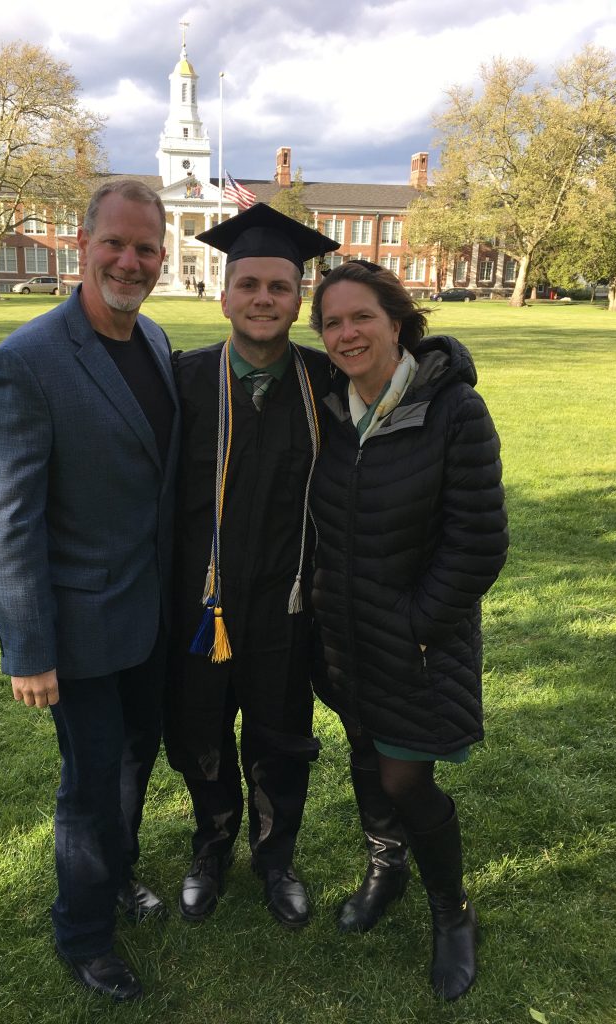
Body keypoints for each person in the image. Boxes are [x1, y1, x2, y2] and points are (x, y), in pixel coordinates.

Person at [0, 180, 179, 1003]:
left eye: (146, 247)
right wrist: (28, 648)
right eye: (116, 244)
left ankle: (117, 877)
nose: (130, 260)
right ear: (83, 245)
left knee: (133, 763)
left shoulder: (155, 341)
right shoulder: (25, 364)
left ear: (163, 257)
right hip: (79, 628)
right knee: (89, 783)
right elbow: (3, 520)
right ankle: (83, 932)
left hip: (150, 616)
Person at [308, 260, 508, 1000]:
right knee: (366, 754)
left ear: (398, 321)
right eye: (331, 322)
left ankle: (452, 910)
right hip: (345, 634)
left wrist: (419, 625)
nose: (346, 333)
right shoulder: (331, 408)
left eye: (362, 317)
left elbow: (479, 541)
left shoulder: (452, 410)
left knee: (406, 776)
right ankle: (383, 869)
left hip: (419, 639)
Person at [165, 204, 339, 929]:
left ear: (300, 299)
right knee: (199, 734)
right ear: (224, 292)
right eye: (249, 285)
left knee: (280, 739)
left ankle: (276, 858)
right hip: (200, 606)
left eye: (279, 286)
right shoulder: (181, 379)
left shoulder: (329, 381)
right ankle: (211, 848)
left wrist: (445, 359)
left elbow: (406, 381)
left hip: (288, 607)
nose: (263, 299)